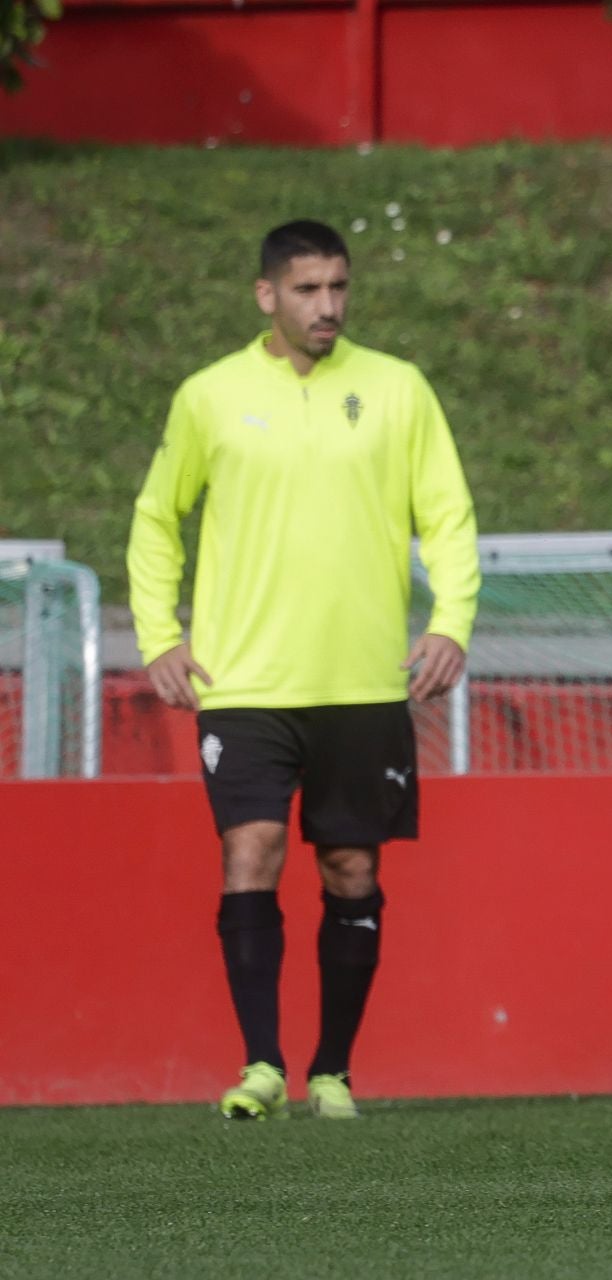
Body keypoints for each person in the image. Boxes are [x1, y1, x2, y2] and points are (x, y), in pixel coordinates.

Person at [127, 219, 480, 1121]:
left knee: (351, 868)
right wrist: (157, 636)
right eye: (308, 290)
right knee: (250, 849)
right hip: (241, 682)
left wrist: (452, 622)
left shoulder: (397, 388)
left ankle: (332, 1072)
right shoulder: (210, 396)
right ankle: (259, 1066)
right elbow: (157, 517)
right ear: (267, 296)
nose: (327, 306)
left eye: (338, 289)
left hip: (365, 682)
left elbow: (447, 516)